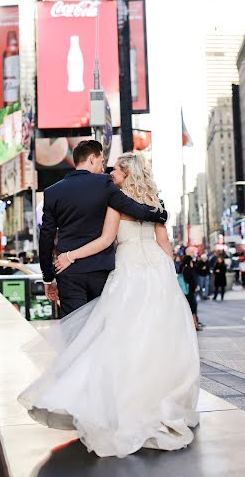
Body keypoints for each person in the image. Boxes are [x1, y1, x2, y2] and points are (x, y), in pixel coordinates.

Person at [18, 152, 200, 457]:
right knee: (158, 339)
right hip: (157, 271)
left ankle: (119, 399)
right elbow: (164, 244)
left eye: (115, 169)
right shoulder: (154, 203)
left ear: (126, 174)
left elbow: (104, 241)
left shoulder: (115, 201)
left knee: (121, 338)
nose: (110, 172)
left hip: (129, 272)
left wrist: (70, 255)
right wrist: (174, 279)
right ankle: (161, 398)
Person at [39, 140, 168, 317]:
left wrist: (48, 277)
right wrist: (161, 214)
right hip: (100, 270)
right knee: (99, 329)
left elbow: (46, 237)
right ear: (92, 158)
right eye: (101, 162)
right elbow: (135, 209)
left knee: (73, 328)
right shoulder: (104, 184)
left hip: (68, 271)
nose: (103, 168)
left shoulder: (52, 192)